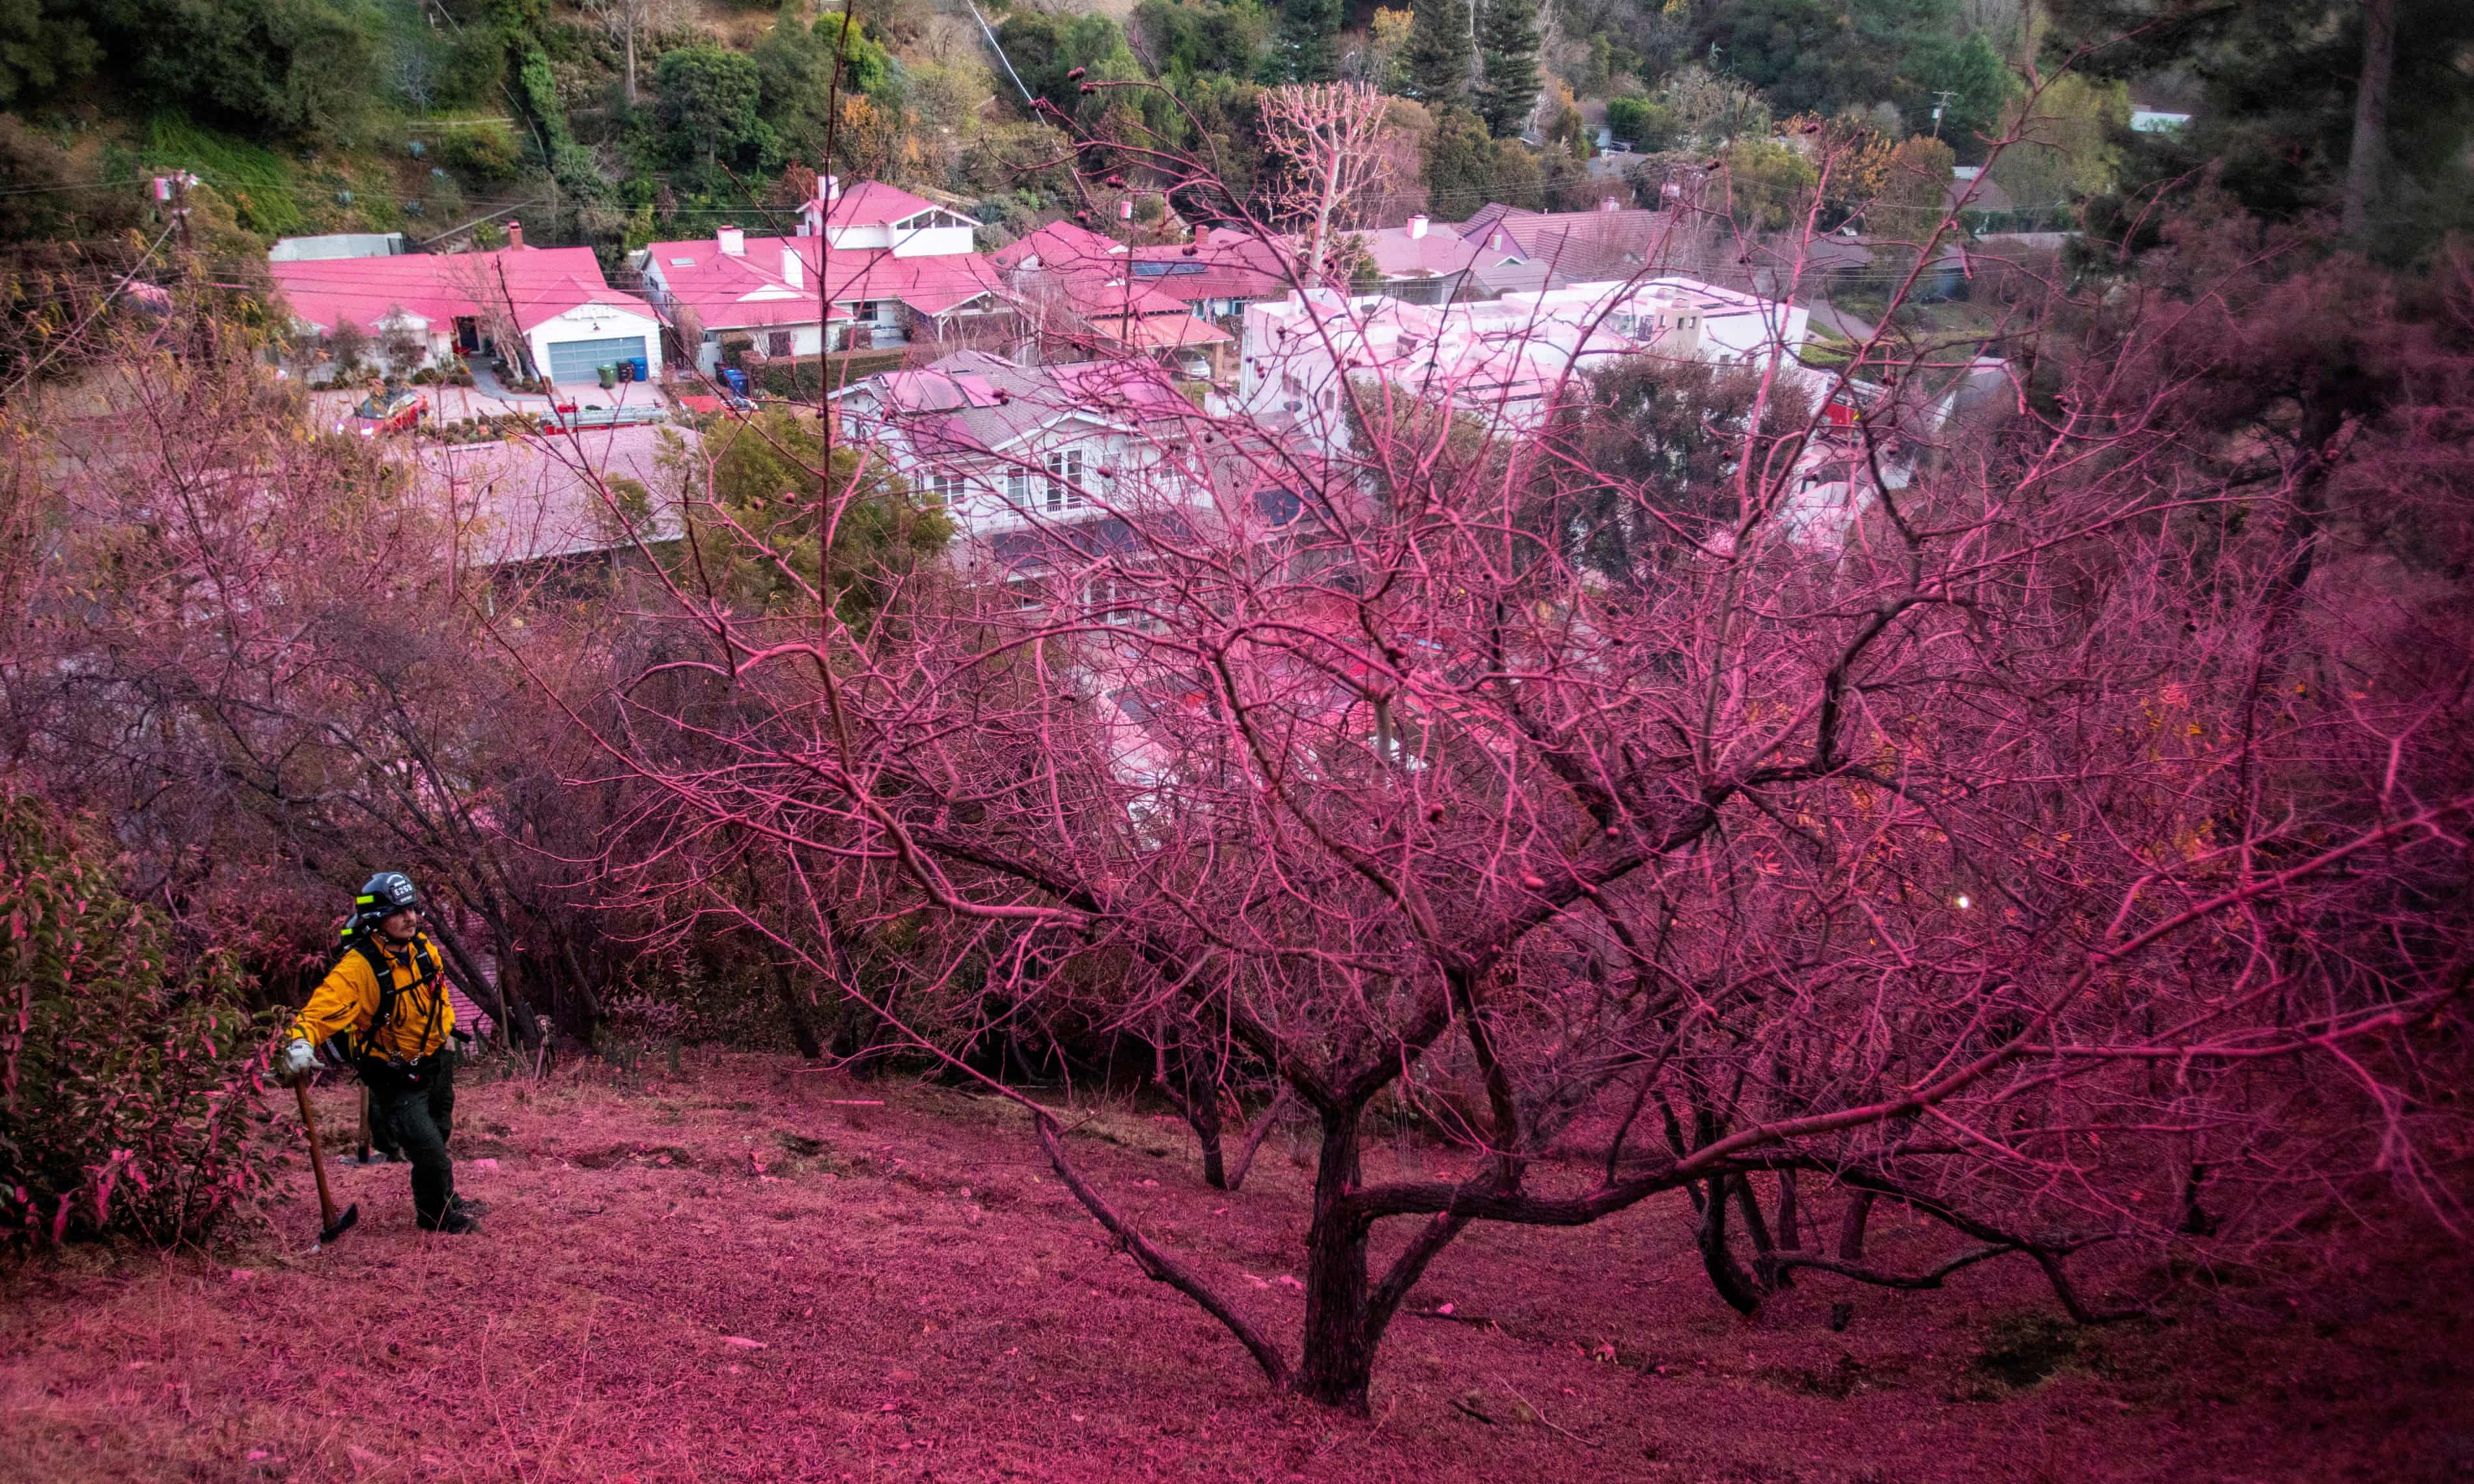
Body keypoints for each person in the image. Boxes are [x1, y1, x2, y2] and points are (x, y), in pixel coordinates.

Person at [277, 872, 479, 1235]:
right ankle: (437, 1217)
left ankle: (445, 1195)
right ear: (376, 919)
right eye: (398, 912)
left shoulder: (422, 948)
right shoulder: (359, 968)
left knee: (440, 1131)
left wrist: (446, 1030)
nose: (410, 918)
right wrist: (300, 1042)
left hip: (436, 1057)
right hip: (394, 1072)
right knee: (427, 1146)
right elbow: (321, 1009)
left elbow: (439, 992)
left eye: (412, 909)